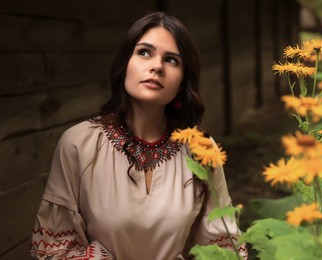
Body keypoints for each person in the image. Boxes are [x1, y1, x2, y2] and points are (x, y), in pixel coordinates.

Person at [30, 11, 247, 259]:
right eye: (144, 52)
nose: (156, 66)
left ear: (183, 80)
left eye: (172, 60)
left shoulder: (201, 149)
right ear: (125, 63)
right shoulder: (78, 143)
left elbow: (223, 249)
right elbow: (55, 250)